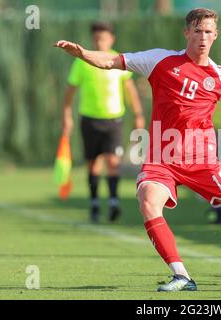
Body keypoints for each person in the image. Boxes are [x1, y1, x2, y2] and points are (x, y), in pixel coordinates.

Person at [55, 8, 221, 292]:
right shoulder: (160, 60)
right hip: (162, 157)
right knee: (148, 201)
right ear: (187, 33)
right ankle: (182, 276)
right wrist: (84, 53)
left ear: (216, 36)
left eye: (208, 32)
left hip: (202, 160)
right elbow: (113, 61)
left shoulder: (220, 77)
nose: (203, 38)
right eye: (197, 31)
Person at [61, 22, 145, 224]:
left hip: (113, 119)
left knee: (113, 162)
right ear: (93, 39)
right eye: (97, 37)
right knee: (93, 164)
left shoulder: (118, 60)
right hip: (89, 119)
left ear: (111, 39)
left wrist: (138, 114)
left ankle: (114, 202)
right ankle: (95, 203)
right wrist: (66, 115)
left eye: (104, 37)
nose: (100, 41)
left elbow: (130, 89)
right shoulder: (82, 61)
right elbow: (70, 92)